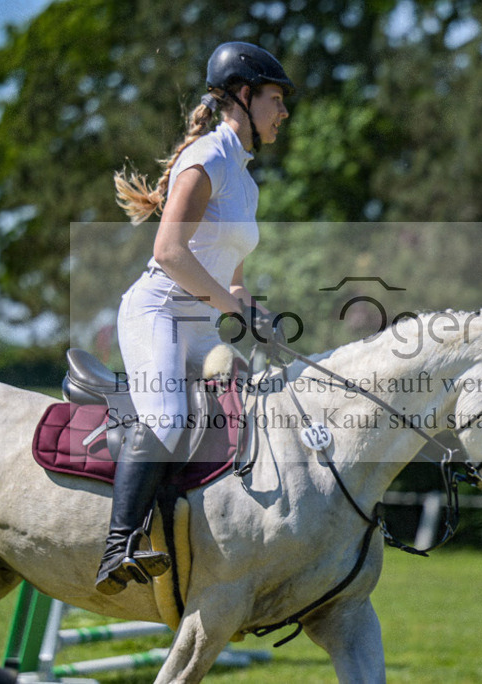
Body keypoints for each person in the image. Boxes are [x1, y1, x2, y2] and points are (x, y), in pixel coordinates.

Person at [95, 42, 294, 595]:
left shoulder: (246, 182)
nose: (283, 113)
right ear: (244, 96)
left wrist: (256, 313)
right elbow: (169, 252)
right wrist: (234, 308)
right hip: (158, 312)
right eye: (275, 99)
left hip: (201, 328)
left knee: (254, 405)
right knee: (167, 420)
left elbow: (229, 278)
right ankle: (118, 547)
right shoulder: (207, 157)